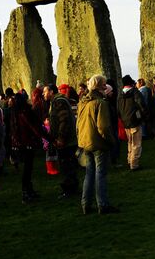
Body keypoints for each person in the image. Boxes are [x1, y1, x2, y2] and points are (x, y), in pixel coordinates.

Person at [77, 75, 119, 215]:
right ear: (100, 86)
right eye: (104, 84)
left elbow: (78, 125)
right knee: (100, 174)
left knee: (89, 174)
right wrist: (111, 141)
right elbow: (104, 127)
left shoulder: (83, 102)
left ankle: (86, 204)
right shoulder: (100, 103)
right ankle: (103, 204)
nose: (106, 86)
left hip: (85, 142)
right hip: (98, 143)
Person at [45, 84, 79, 198]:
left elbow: (64, 120)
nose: (43, 94)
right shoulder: (57, 101)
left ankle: (69, 190)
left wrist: (60, 138)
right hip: (67, 139)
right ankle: (73, 188)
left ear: (51, 92)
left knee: (66, 166)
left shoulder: (59, 102)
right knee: (68, 165)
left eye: (45, 92)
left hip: (66, 141)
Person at [8, 93, 43, 203]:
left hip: (19, 145)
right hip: (26, 143)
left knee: (27, 169)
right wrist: (48, 139)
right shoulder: (24, 112)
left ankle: (29, 190)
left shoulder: (14, 112)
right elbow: (34, 127)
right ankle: (26, 192)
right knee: (27, 169)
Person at [118, 75, 147, 171]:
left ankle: (130, 160)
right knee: (137, 143)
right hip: (135, 120)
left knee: (130, 142)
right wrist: (143, 115)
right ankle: (134, 164)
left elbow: (118, 109)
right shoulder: (135, 92)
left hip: (125, 121)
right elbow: (142, 104)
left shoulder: (120, 95)